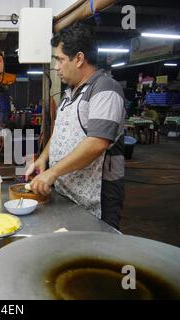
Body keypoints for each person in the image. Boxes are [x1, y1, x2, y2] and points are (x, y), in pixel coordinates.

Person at [25, 23, 126, 230]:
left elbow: (97, 143)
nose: (56, 67)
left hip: (98, 196)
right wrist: (43, 158)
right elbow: (62, 131)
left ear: (79, 59)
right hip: (70, 192)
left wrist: (53, 173)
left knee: (97, 251)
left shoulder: (105, 89)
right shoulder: (70, 93)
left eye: (60, 60)